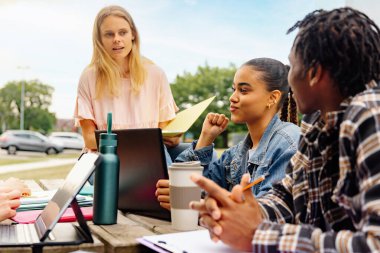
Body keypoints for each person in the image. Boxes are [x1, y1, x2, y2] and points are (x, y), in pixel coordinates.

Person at [190, 7, 380, 252]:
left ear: (313, 73)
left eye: (292, 66)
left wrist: (256, 236)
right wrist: (241, 212)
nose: (290, 79)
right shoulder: (315, 122)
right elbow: (286, 195)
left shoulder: (370, 114)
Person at [156, 58, 300, 210]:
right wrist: (205, 139)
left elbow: (266, 213)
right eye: (234, 90)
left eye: (243, 90)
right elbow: (181, 184)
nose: (232, 98)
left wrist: (192, 199)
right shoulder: (235, 154)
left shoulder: (289, 143)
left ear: (272, 98)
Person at [74, 5, 179, 154]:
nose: (117, 39)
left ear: (133, 34)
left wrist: (173, 137)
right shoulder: (88, 77)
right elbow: (90, 140)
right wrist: (140, 141)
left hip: (148, 154)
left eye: (122, 32)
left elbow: (167, 132)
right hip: (105, 156)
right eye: (109, 34)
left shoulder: (156, 74)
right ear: (99, 40)